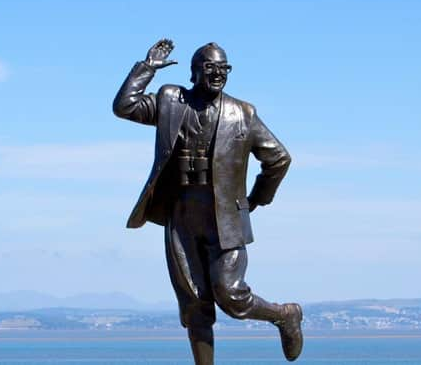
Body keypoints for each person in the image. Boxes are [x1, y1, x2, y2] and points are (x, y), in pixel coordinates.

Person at [113, 39, 303, 364]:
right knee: (194, 305)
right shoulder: (171, 101)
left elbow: (279, 159)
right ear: (194, 72)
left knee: (231, 295)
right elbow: (125, 106)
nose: (218, 74)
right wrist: (147, 68)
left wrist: (257, 199)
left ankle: (284, 315)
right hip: (182, 216)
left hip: (225, 220)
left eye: (224, 68)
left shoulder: (243, 113)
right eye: (211, 67)